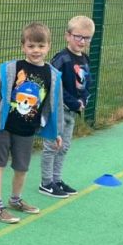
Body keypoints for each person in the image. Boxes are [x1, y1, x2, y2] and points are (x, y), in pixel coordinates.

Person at [0, 22, 63, 222]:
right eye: (31, 46)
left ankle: (15, 200)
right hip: (3, 127)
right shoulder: (12, 69)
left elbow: (55, 106)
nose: (36, 50)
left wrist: (56, 132)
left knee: (22, 168)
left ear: (48, 46)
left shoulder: (52, 75)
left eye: (40, 46)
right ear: (23, 46)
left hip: (26, 131)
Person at [39, 15, 93, 198]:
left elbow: (87, 83)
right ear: (67, 36)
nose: (82, 41)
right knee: (52, 145)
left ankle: (57, 179)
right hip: (58, 110)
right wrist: (73, 101)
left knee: (64, 147)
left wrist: (84, 100)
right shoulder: (61, 59)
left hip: (72, 112)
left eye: (86, 38)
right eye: (78, 36)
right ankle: (46, 183)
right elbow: (55, 86)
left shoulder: (84, 59)